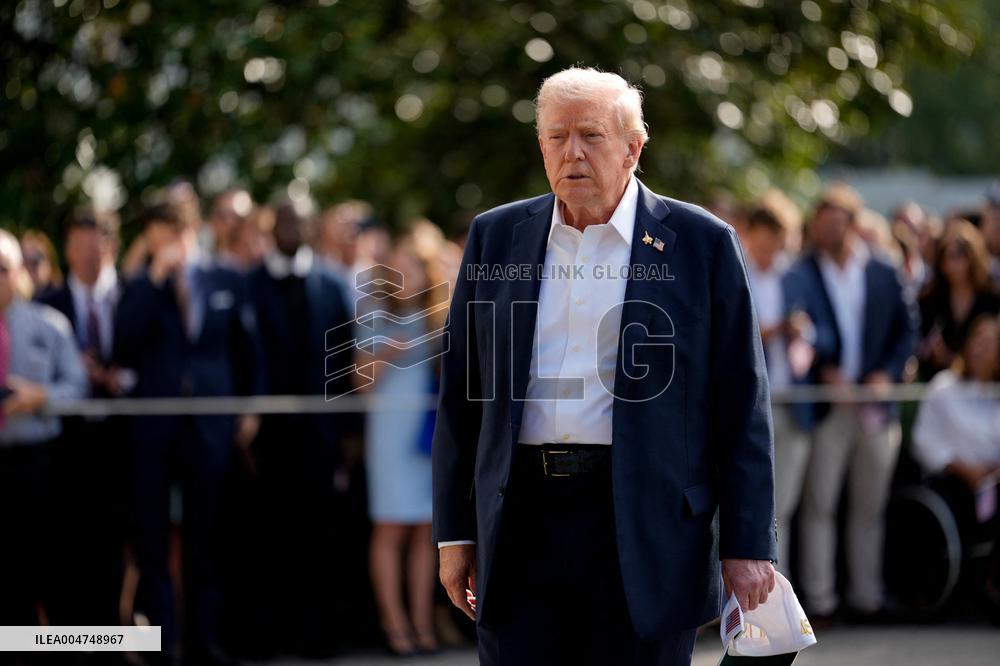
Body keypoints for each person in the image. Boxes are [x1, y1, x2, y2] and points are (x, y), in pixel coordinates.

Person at [433, 67, 777, 665]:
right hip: (518, 524)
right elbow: (461, 397)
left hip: (644, 526)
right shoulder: (496, 237)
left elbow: (742, 404)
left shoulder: (702, 244)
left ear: (634, 148)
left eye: (590, 136)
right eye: (556, 137)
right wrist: (455, 532)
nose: (572, 153)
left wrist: (748, 543)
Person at [113, 202, 264, 665]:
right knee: (153, 539)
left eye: (177, 230)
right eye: (160, 233)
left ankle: (203, 642)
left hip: (209, 426)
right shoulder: (140, 286)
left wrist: (250, 407)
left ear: (194, 230)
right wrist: (155, 278)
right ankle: (161, 645)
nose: (171, 240)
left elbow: (248, 348)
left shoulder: (225, 278)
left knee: (205, 538)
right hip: (154, 431)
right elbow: (124, 345)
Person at [788, 184, 917, 623]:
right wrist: (822, 368)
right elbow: (804, 332)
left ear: (850, 222)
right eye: (819, 223)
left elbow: (906, 331)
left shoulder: (883, 270)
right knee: (819, 504)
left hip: (876, 406)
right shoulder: (803, 271)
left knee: (869, 506)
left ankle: (867, 597)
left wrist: (887, 371)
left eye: (833, 222)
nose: (825, 231)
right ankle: (820, 601)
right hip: (829, 404)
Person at [244, 202, 356, 658]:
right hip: (266, 436)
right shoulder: (250, 284)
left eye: (296, 221)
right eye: (281, 221)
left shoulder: (331, 283)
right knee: (267, 536)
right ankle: (269, 634)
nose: (289, 229)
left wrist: (348, 434)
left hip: (319, 436)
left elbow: (346, 362)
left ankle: (318, 636)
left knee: (319, 536)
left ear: (309, 228)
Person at [38, 208, 131, 627]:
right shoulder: (47, 306)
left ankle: (114, 639)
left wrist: (121, 377)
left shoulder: (135, 296)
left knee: (117, 546)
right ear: (67, 251)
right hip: (66, 448)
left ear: (111, 248)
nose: (88, 257)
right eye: (78, 248)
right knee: (67, 547)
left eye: (96, 248)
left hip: (121, 442)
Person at [360, 230, 448, 657]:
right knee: (391, 526)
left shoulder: (440, 313)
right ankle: (392, 623)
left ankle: (421, 622)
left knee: (424, 530)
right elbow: (361, 383)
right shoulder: (372, 311)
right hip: (390, 430)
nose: (402, 272)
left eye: (411, 264)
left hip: (429, 431)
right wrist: (387, 353)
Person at [0, 229, 88, 625]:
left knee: (47, 569)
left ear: (19, 271)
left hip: (39, 465)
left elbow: (78, 388)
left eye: (2, 268)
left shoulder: (50, 325)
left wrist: (41, 396)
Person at [739, 205, 814, 576]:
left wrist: (804, 332)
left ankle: (780, 594)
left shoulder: (795, 278)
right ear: (751, 236)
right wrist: (773, 331)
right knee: (752, 502)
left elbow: (824, 331)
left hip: (793, 403)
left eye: (777, 245)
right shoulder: (737, 272)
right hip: (751, 406)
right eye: (765, 244)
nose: (770, 252)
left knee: (784, 505)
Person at [911, 314, 1000, 609]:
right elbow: (924, 442)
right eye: (977, 340)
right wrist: (964, 468)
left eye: (990, 344)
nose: (980, 349)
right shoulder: (944, 387)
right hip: (953, 482)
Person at [916, 220, 1000, 379]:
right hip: (938, 380)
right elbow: (918, 341)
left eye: (958, 255)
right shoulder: (930, 300)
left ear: (972, 256)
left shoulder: (991, 299)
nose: (951, 264)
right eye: (945, 256)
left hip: (982, 382)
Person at [21, 229, 63, 301]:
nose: (28, 268)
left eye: (35, 261)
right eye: (23, 261)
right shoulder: (9, 302)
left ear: (50, 263)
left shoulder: (63, 298)